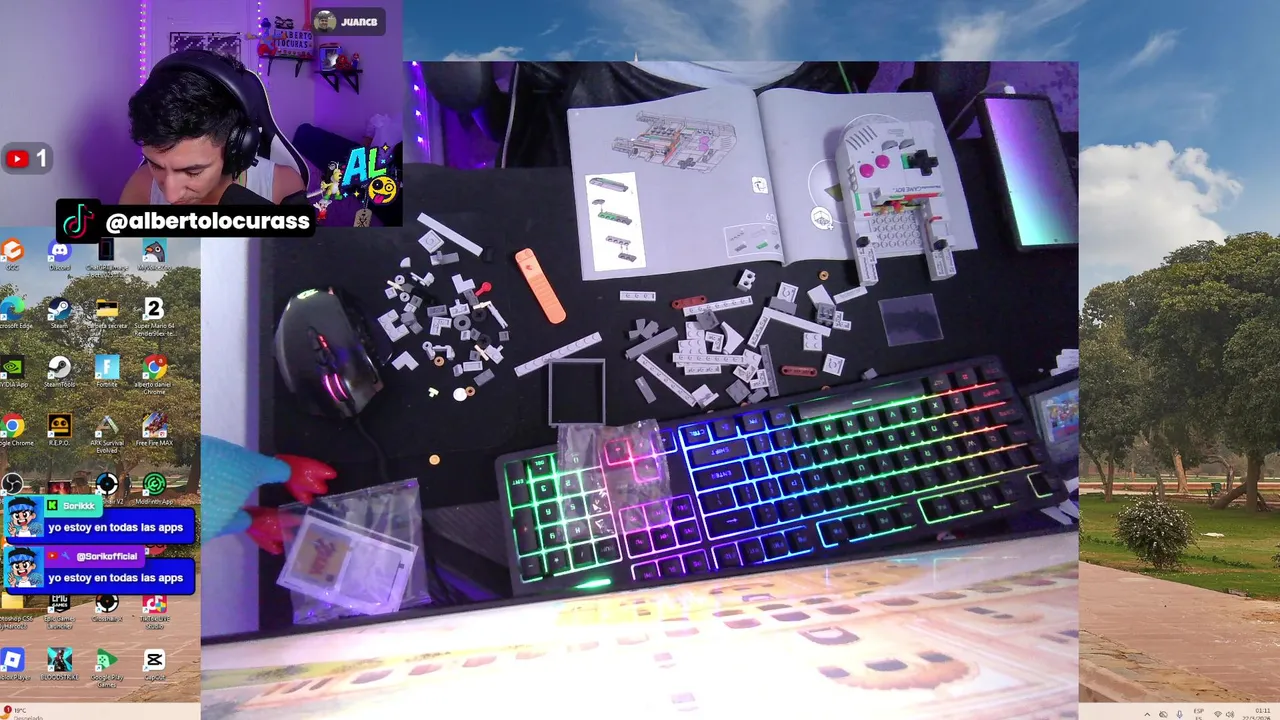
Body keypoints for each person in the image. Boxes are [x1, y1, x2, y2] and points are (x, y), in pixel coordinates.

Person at [119, 50, 304, 205]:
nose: (171, 196)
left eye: (193, 172)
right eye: (155, 165)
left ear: (235, 151)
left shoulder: (282, 187)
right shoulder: (141, 187)